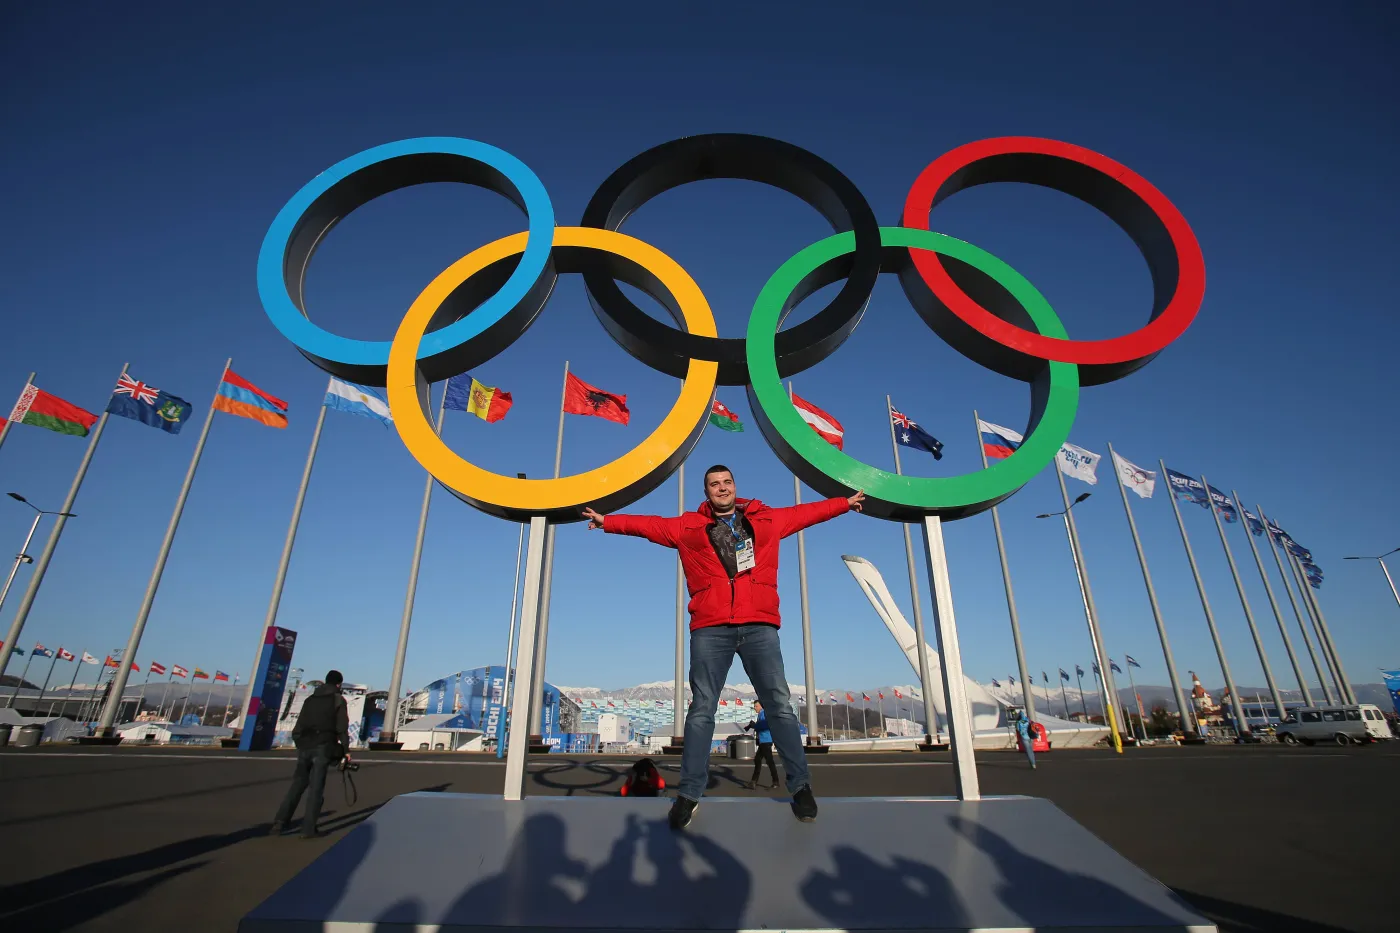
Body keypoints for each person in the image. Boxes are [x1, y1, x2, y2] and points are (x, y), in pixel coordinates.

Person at [583, 463, 863, 830]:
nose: (722, 488)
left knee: (779, 705)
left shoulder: (767, 520)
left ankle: (801, 787)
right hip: (710, 628)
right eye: (714, 484)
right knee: (701, 710)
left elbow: (806, 513)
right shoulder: (686, 527)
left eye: (727, 482)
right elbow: (648, 526)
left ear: (735, 486)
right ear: (707, 492)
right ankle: (690, 793)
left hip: (759, 624)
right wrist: (609, 522)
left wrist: (844, 502)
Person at [270, 669, 350, 838]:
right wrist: (345, 750)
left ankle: (279, 823)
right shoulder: (338, 700)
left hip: (305, 746)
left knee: (297, 785)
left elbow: (299, 726)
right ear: (338, 684)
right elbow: (341, 727)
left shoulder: (310, 699)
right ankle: (308, 829)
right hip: (323, 746)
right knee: (316, 789)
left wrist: (301, 743)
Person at [744, 701, 778, 789]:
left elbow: (763, 726)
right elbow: (759, 726)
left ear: (761, 706)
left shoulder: (763, 714)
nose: (755, 707)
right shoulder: (761, 715)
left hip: (765, 741)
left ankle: (775, 781)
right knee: (759, 760)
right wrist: (752, 726)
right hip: (764, 741)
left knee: (768, 761)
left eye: (756, 706)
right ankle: (754, 782)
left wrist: (754, 725)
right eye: (754, 706)